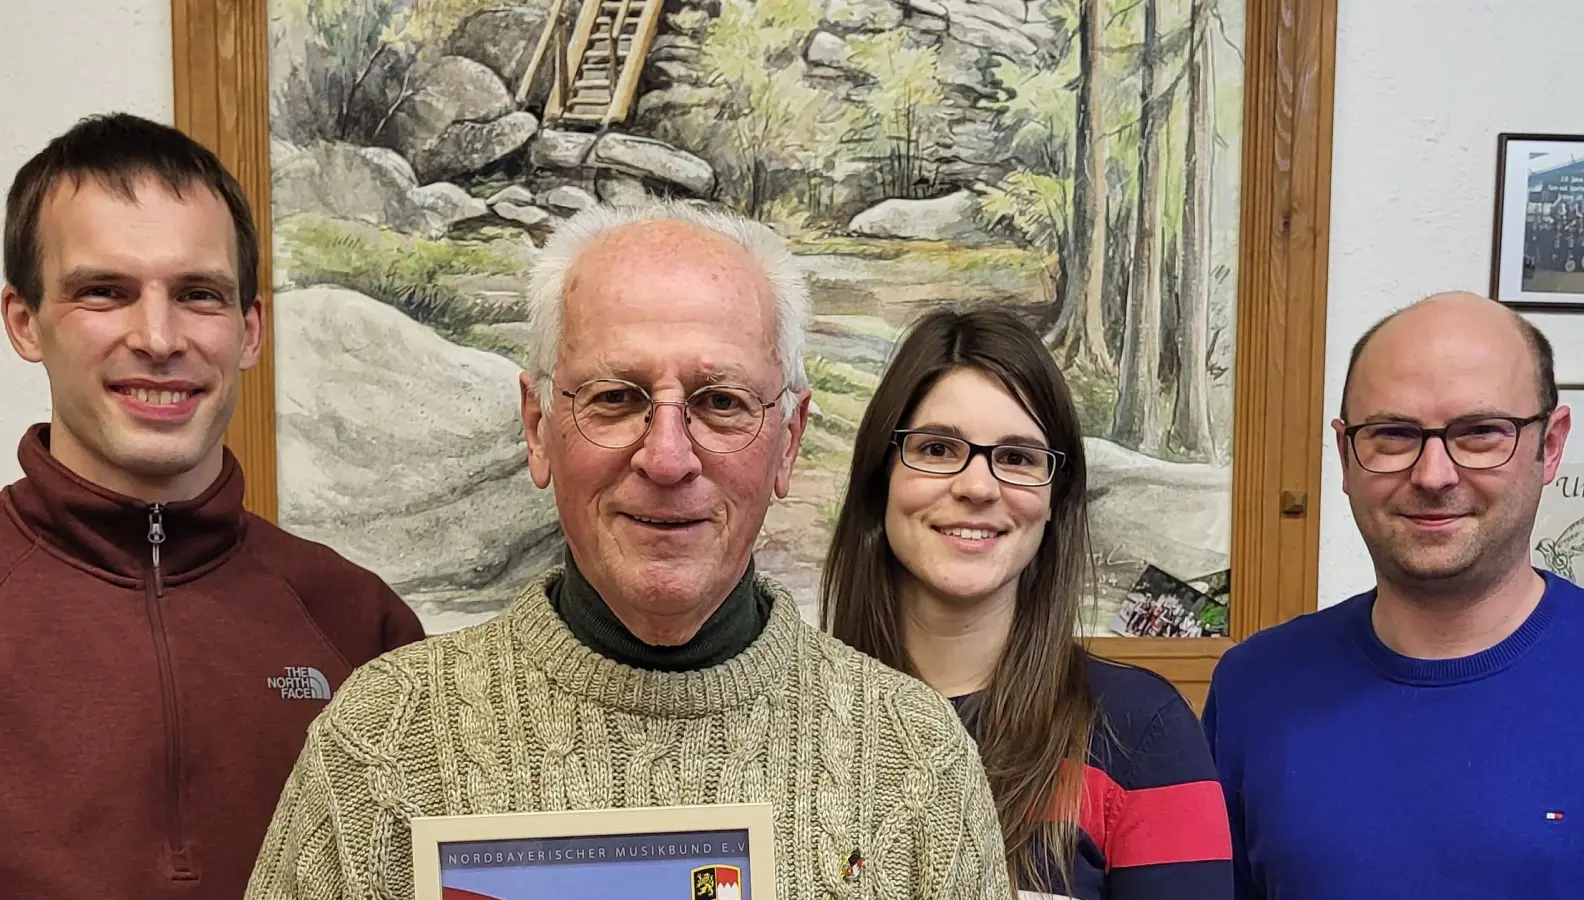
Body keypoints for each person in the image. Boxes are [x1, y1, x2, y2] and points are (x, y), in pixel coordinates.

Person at [245, 201, 1010, 899]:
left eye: (720, 402)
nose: (668, 458)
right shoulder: (381, 742)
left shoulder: (912, 760)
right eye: (616, 397)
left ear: (790, 441)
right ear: (538, 425)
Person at [0, 113, 425, 898]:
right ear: (25, 321)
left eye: (199, 294)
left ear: (250, 330)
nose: (158, 337)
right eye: (104, 292)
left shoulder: (360, 622)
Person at [821, 309, 1232, 899]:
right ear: (879, 477)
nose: (978, 486)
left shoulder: (1142, 734)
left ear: (1054, 500)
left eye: (1016, 458)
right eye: (938, 448)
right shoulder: (791, 718)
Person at [1204, 291, 1584, 899]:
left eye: (1480, 433)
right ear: (1344, 453)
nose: (1433, 474)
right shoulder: (1253, 689)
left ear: (1550, 445)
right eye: (1392, 434)